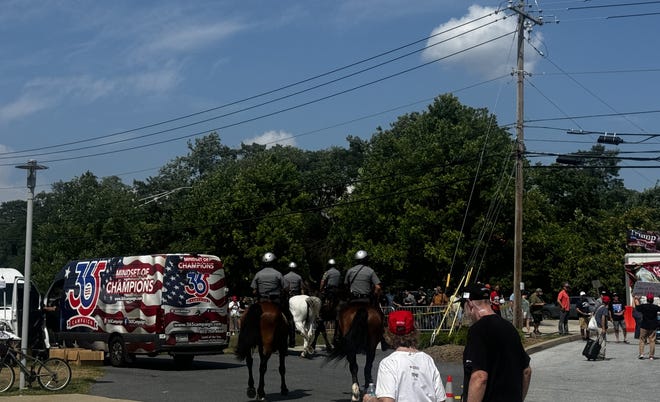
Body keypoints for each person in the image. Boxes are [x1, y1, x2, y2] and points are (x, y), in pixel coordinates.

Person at [459, 283, 532, 402]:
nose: (465, 313)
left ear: (469, 304)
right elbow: (526, 371)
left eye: (463, 307)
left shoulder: (478, 330)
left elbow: (480, 377)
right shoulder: (509, 328)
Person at [362, 310, 446, 402]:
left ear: (389, 333)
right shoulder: (427, 360)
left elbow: (387, 400)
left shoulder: (389, 363)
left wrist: (371, 400)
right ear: (414, 330)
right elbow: (441, 399)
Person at [283, 261, 304, 347]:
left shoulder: (284, 277)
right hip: (297, 297)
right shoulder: (299, 277)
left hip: (288, 298)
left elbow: (283, 289)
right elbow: (302, 289)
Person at [634, 292, 660, 360]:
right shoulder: (655, 307)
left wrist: (636, 299)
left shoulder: (643, 306)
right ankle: (651, 356)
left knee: (642, 340)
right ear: (653, 300)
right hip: (653, 326)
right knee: (652, 341)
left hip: (644, 325)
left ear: (647, 300)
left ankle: (641, 354)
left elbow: (637, 307)